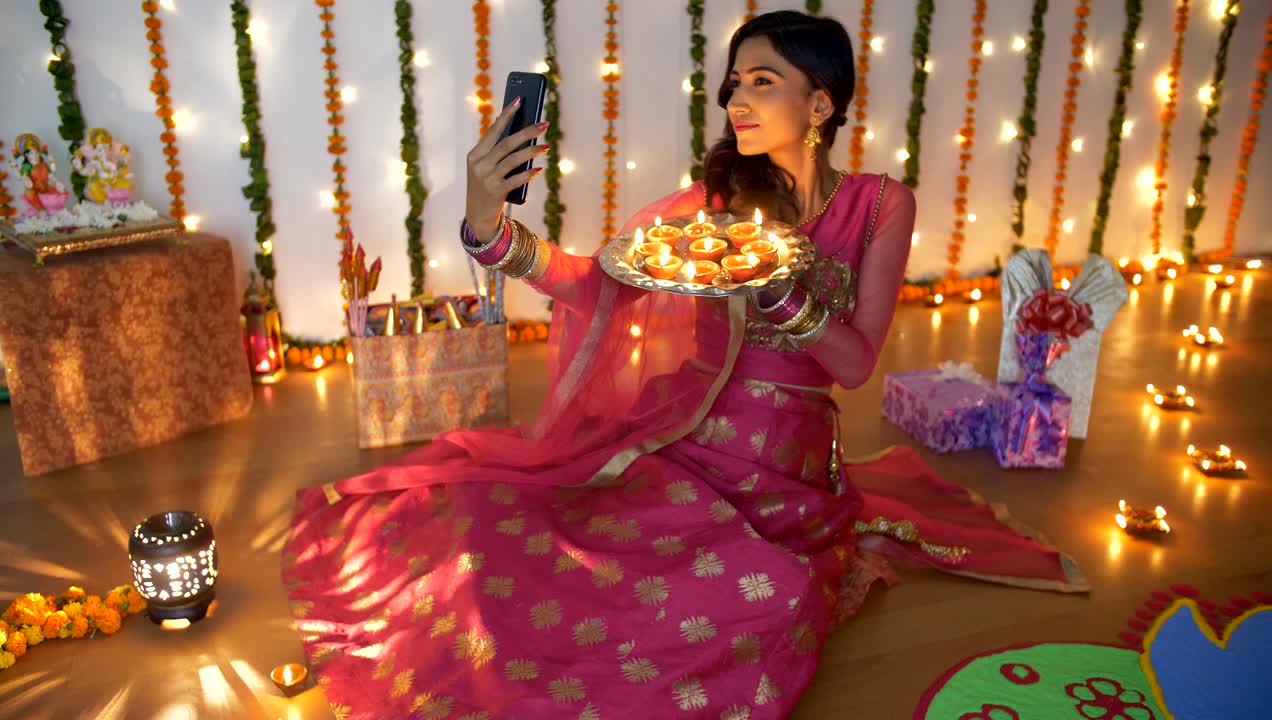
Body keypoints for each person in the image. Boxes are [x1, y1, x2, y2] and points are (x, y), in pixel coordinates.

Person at [283, 11, 1086, 718]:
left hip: (793, 468)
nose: (735, 100)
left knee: (771, 598)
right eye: (733, 83)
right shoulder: (710, 208)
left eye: (761, 82)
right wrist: (485, 222)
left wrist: (769, 285)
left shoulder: (880, 206)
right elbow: (597, 285)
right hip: (688, 436)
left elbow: (855, 364)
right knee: (562, 565)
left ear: (821, 104)